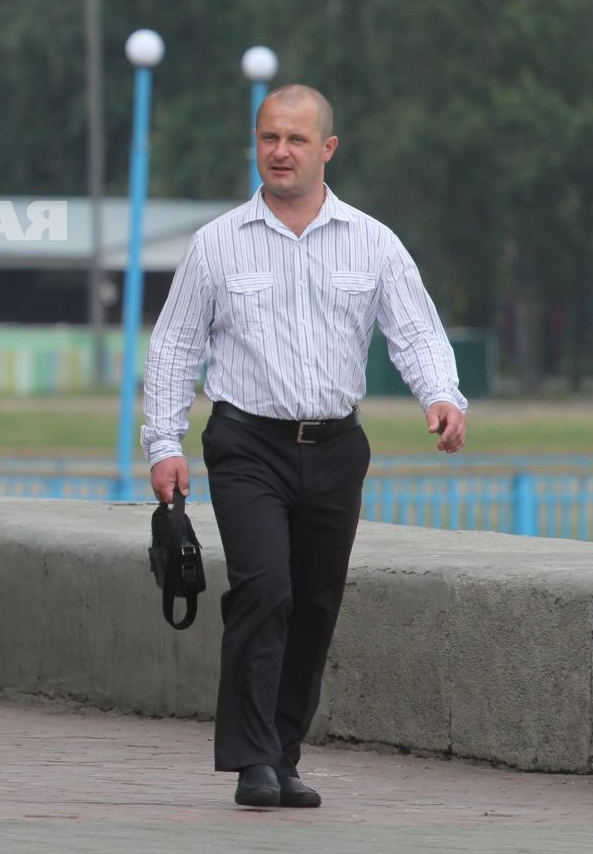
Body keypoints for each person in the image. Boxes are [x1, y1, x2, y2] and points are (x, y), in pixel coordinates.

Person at [142, 84, 467, 810]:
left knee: (315, 604)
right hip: (245, 442)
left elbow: (414, 329)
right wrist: (164, 443)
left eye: (295, 139)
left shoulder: (373, 241)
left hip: (335, 447)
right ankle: (252, 759)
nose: (279, 152)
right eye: (268, 138)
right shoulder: (218, 243)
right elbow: (174, 349)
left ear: (327, 149)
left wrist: (442, 396)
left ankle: (285, 754)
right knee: (266, 590)